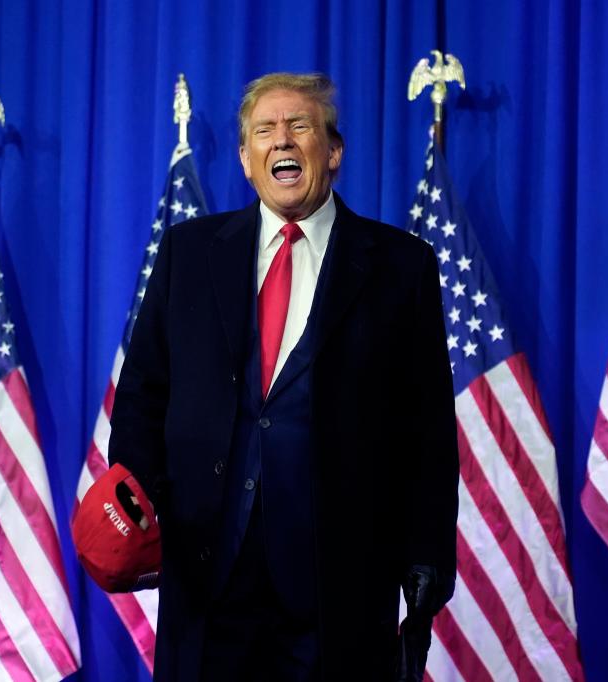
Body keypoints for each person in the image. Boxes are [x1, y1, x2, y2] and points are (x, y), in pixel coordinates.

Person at [109, 72, 458, 681]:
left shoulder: (401, 266)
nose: (282, 142)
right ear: (246, 160)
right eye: (265, 131)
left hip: (340, 583)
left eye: (300, 126)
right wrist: (143, 508)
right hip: (208, 573)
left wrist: (427, 552)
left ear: (334, 151)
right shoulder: (188, 255)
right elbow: (142, 394)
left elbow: (426, 429)